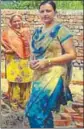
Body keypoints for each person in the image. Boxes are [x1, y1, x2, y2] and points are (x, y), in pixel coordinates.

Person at [25, 0, 76, 128]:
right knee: (45, 113)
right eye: (42, 11)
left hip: (54, 75)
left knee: (33, 112)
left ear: (55, 12)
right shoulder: (37, 32)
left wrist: (47, 61)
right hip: (38, 76)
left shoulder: (61, 30)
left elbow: (72, 54)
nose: (45, 14)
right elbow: (34, 55)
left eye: (48, 11)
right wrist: (32, 63)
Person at [1, 14, 33, 111]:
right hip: (13, 60)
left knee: (26, 82)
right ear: (11, 23)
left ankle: (24, 103)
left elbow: (31, 45)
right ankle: (14, 103)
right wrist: (6, 50)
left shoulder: (26, 31)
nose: (17, 23)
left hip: (26, 60)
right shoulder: (6, 33)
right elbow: (2, 45)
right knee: (15, 83)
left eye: (19, 20)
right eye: (14, 21)